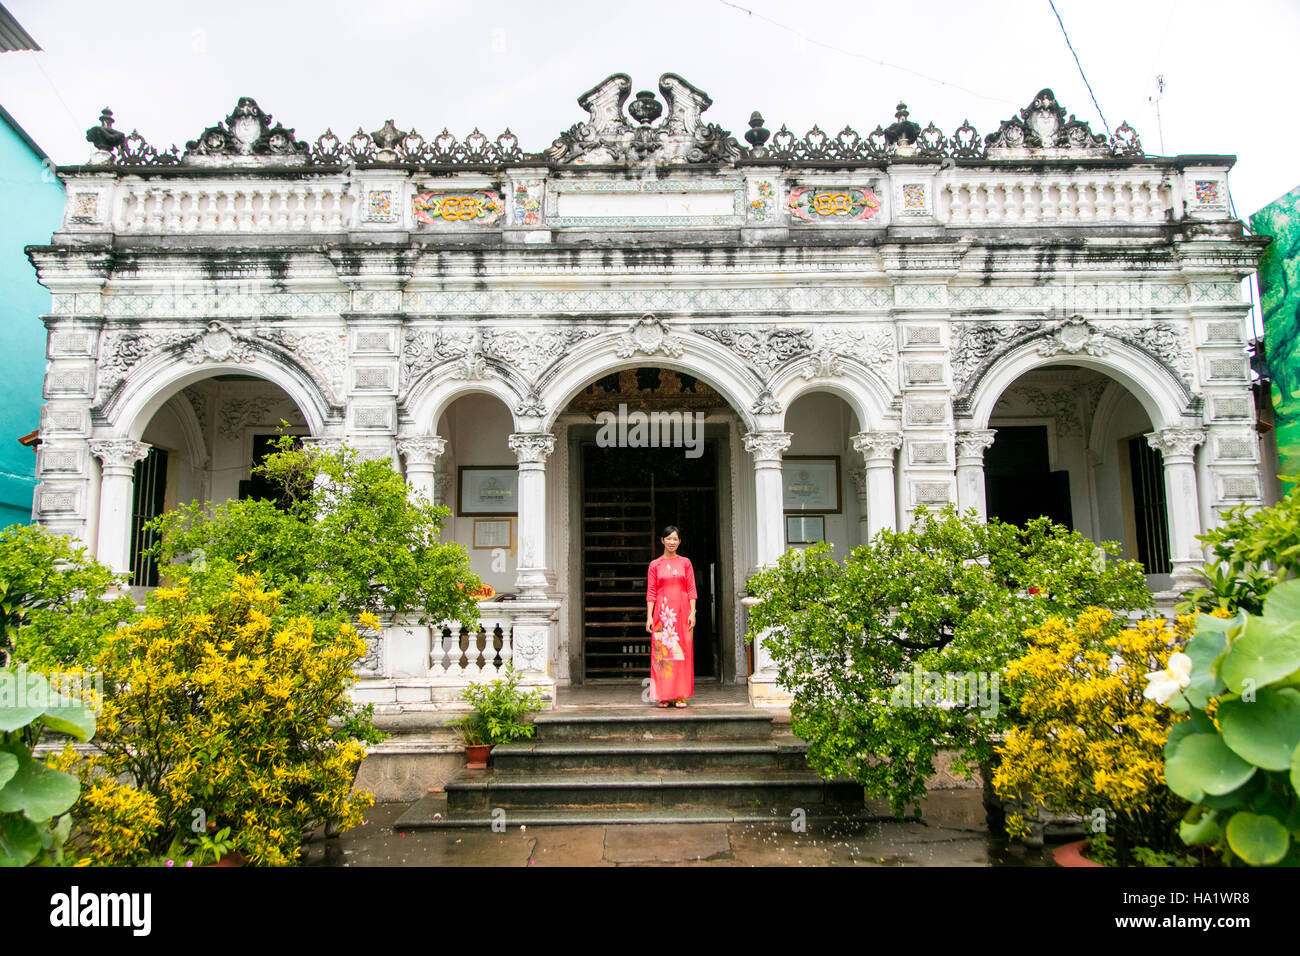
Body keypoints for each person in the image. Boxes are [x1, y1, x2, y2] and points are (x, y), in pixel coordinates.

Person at [645, 525, 696, 708]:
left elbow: (691, 589)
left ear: (679, 542)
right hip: (663, 615)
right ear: (662, 541)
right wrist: (649, 617)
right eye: (669, 539)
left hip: (682, 614)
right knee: (663, 656)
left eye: (675, 539)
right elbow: (651, 592)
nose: (672, 542)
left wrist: (693, 612)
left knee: (682, 654)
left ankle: (680, 695)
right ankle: (664, 696)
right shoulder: (655, 565)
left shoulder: (685, 563)